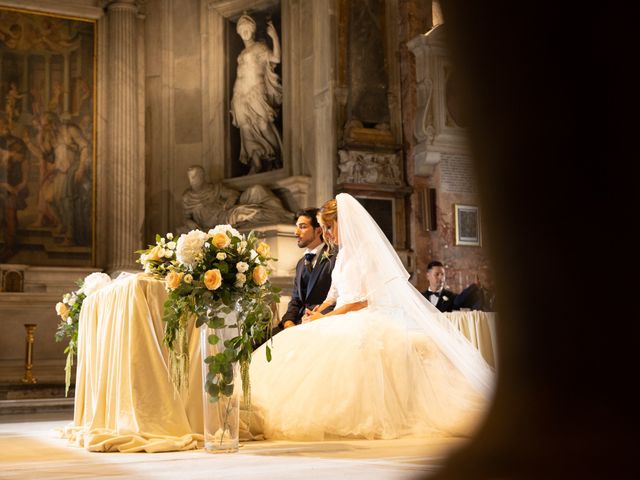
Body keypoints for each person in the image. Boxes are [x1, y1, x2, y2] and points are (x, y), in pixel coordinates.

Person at [248, 193, 494, 440]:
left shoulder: (367, 252)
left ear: (344, 223)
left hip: (366, 315)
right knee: (298, 342)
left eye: (329, 227)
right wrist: (317, 313)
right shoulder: (342, 255)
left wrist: (330, 317)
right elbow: (333, 295)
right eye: (323, 228)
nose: (328, 234)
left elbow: (367, 299)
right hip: (339, 314)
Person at [230, 13, 283, 174]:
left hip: (256, 92)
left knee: (263, 124)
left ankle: (277, 158)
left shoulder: (260, 47)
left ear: (252, 30)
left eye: (248, 28)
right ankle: (256, 162)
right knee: (246, 129)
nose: (245, 31)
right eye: (242, 29)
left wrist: (274, 38)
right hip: (240, 94)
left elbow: (276, 59)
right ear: (238, 32)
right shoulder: (240, 55)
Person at [178, 165, 293, 234]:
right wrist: (191, 223)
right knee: (244, 212)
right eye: (190, 178)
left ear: (202, 176)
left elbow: (233, 194)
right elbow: (186, 218)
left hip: (228, 209)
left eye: (194, 176)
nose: (192, 180)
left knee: (257, 190)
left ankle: (284, 213)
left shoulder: (215, 188)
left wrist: (230, 201)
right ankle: (281, 218)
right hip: (221, 220)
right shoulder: (187, 197)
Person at [277, 208, 337, 332]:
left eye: (303, 227)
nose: (296, 232)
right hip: (297, 323)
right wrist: (289, 323)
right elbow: (295, 301)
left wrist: (312, 319)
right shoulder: (300, 263)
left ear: (319, 230)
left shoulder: (335, 257)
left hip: (321, 322)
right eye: (296, 227)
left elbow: (335, 299)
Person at [0, 114, 29, 262]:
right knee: (4, 218)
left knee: (9, 216)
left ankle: (10, 246)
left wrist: (22, 183)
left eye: (5, 124)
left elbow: (24, 165)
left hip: (13, 187)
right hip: (4, 186)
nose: (4, 127)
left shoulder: (17, 143)